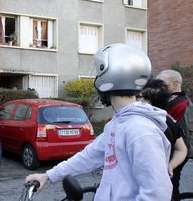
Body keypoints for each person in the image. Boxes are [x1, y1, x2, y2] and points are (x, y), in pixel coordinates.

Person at [25, 43, 172, 200]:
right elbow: (88, 156)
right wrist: (48, 175)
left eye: (99, 73)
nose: (97, 79)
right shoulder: (117, 124)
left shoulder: (140, 131)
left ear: (112, 76)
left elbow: (157, 194)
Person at [137, 79, 188, 180]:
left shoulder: (139, 122)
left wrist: (170, 165)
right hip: (164, 178)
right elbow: (181, 149)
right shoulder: (168, 120)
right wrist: (171, 166)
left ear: (149, 100)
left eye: (138, 96)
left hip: (146, 180)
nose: (134, 99)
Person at [157, 70, 191, 198]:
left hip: (175, 153)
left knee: (170, 185)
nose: (159, 87)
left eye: (162, 83)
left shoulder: (182, 104)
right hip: (168, 151)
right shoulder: (170, 100)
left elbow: (184, 135)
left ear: (175, 83)